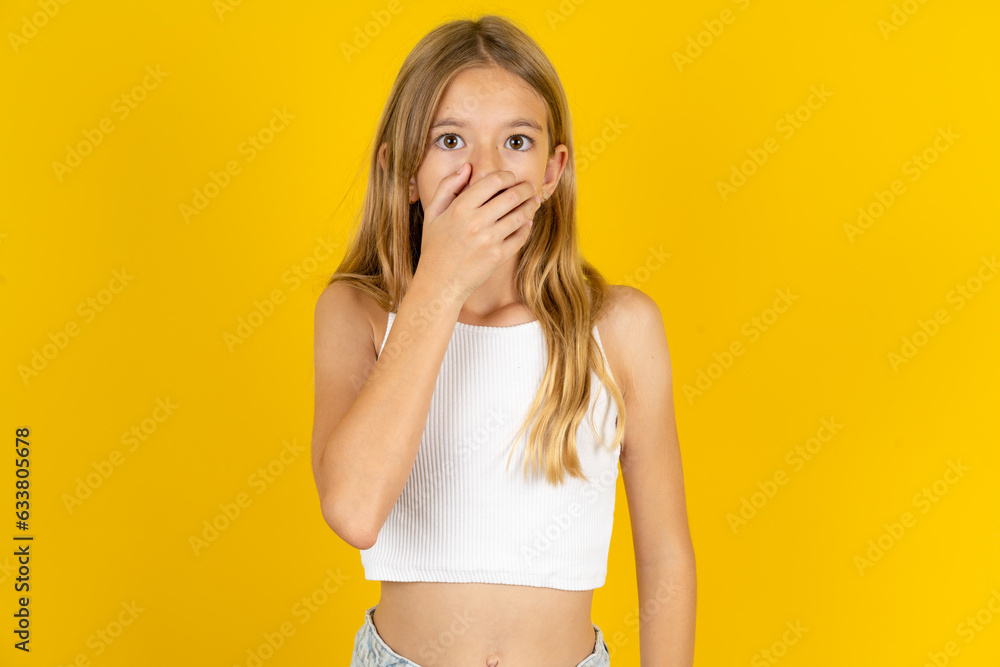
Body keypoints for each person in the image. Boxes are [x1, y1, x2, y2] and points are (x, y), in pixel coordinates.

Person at [311, 14, 696, 667]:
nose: (485, 172)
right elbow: (353, 510)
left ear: (553, 171)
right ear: (404, 170)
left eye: (516, 142)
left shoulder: (621, 328)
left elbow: (665, 557)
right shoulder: (359, 312)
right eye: (450, 139)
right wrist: (440, 283)